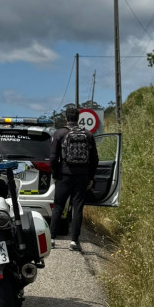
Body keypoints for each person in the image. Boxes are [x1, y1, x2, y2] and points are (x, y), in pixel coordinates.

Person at [48, 107, 98, 252]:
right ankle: (74, 241)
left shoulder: (60, 133)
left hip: (64, 175)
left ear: (65, 118)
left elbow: (53, 157)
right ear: (78, 118)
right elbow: (95, 159)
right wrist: (90, 177)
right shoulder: (88, 135)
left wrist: (55, 173)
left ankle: (51, 239)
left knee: (58, 206)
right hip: (81, 177)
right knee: (78, 208)